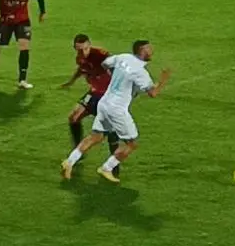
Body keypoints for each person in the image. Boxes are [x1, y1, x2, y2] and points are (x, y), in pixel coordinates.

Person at [61, 40, 172, 184]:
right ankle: (107, 168)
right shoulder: (140, 72)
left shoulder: (123, 57)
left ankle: (69, 162)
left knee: (96, 137)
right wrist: (163, 79)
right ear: (141, 50)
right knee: (131, 144)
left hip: (104, 102)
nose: (152, 50)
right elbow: (153, 93)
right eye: (148, 48)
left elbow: (105, 64)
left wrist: (117, 77)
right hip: (117, 109)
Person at [60, 34, 120, 177]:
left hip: (108, 96)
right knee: (73, 117)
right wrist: (71, 81)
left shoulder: (100, 55)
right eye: (79, 50)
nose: (82, 52)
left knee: (111, 131)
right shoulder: (80, 57)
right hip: (94, 93)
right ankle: (78, 150)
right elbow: (82, 69)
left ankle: (114, 164)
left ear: (89, 45)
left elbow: (116, 67)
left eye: (85, 49)